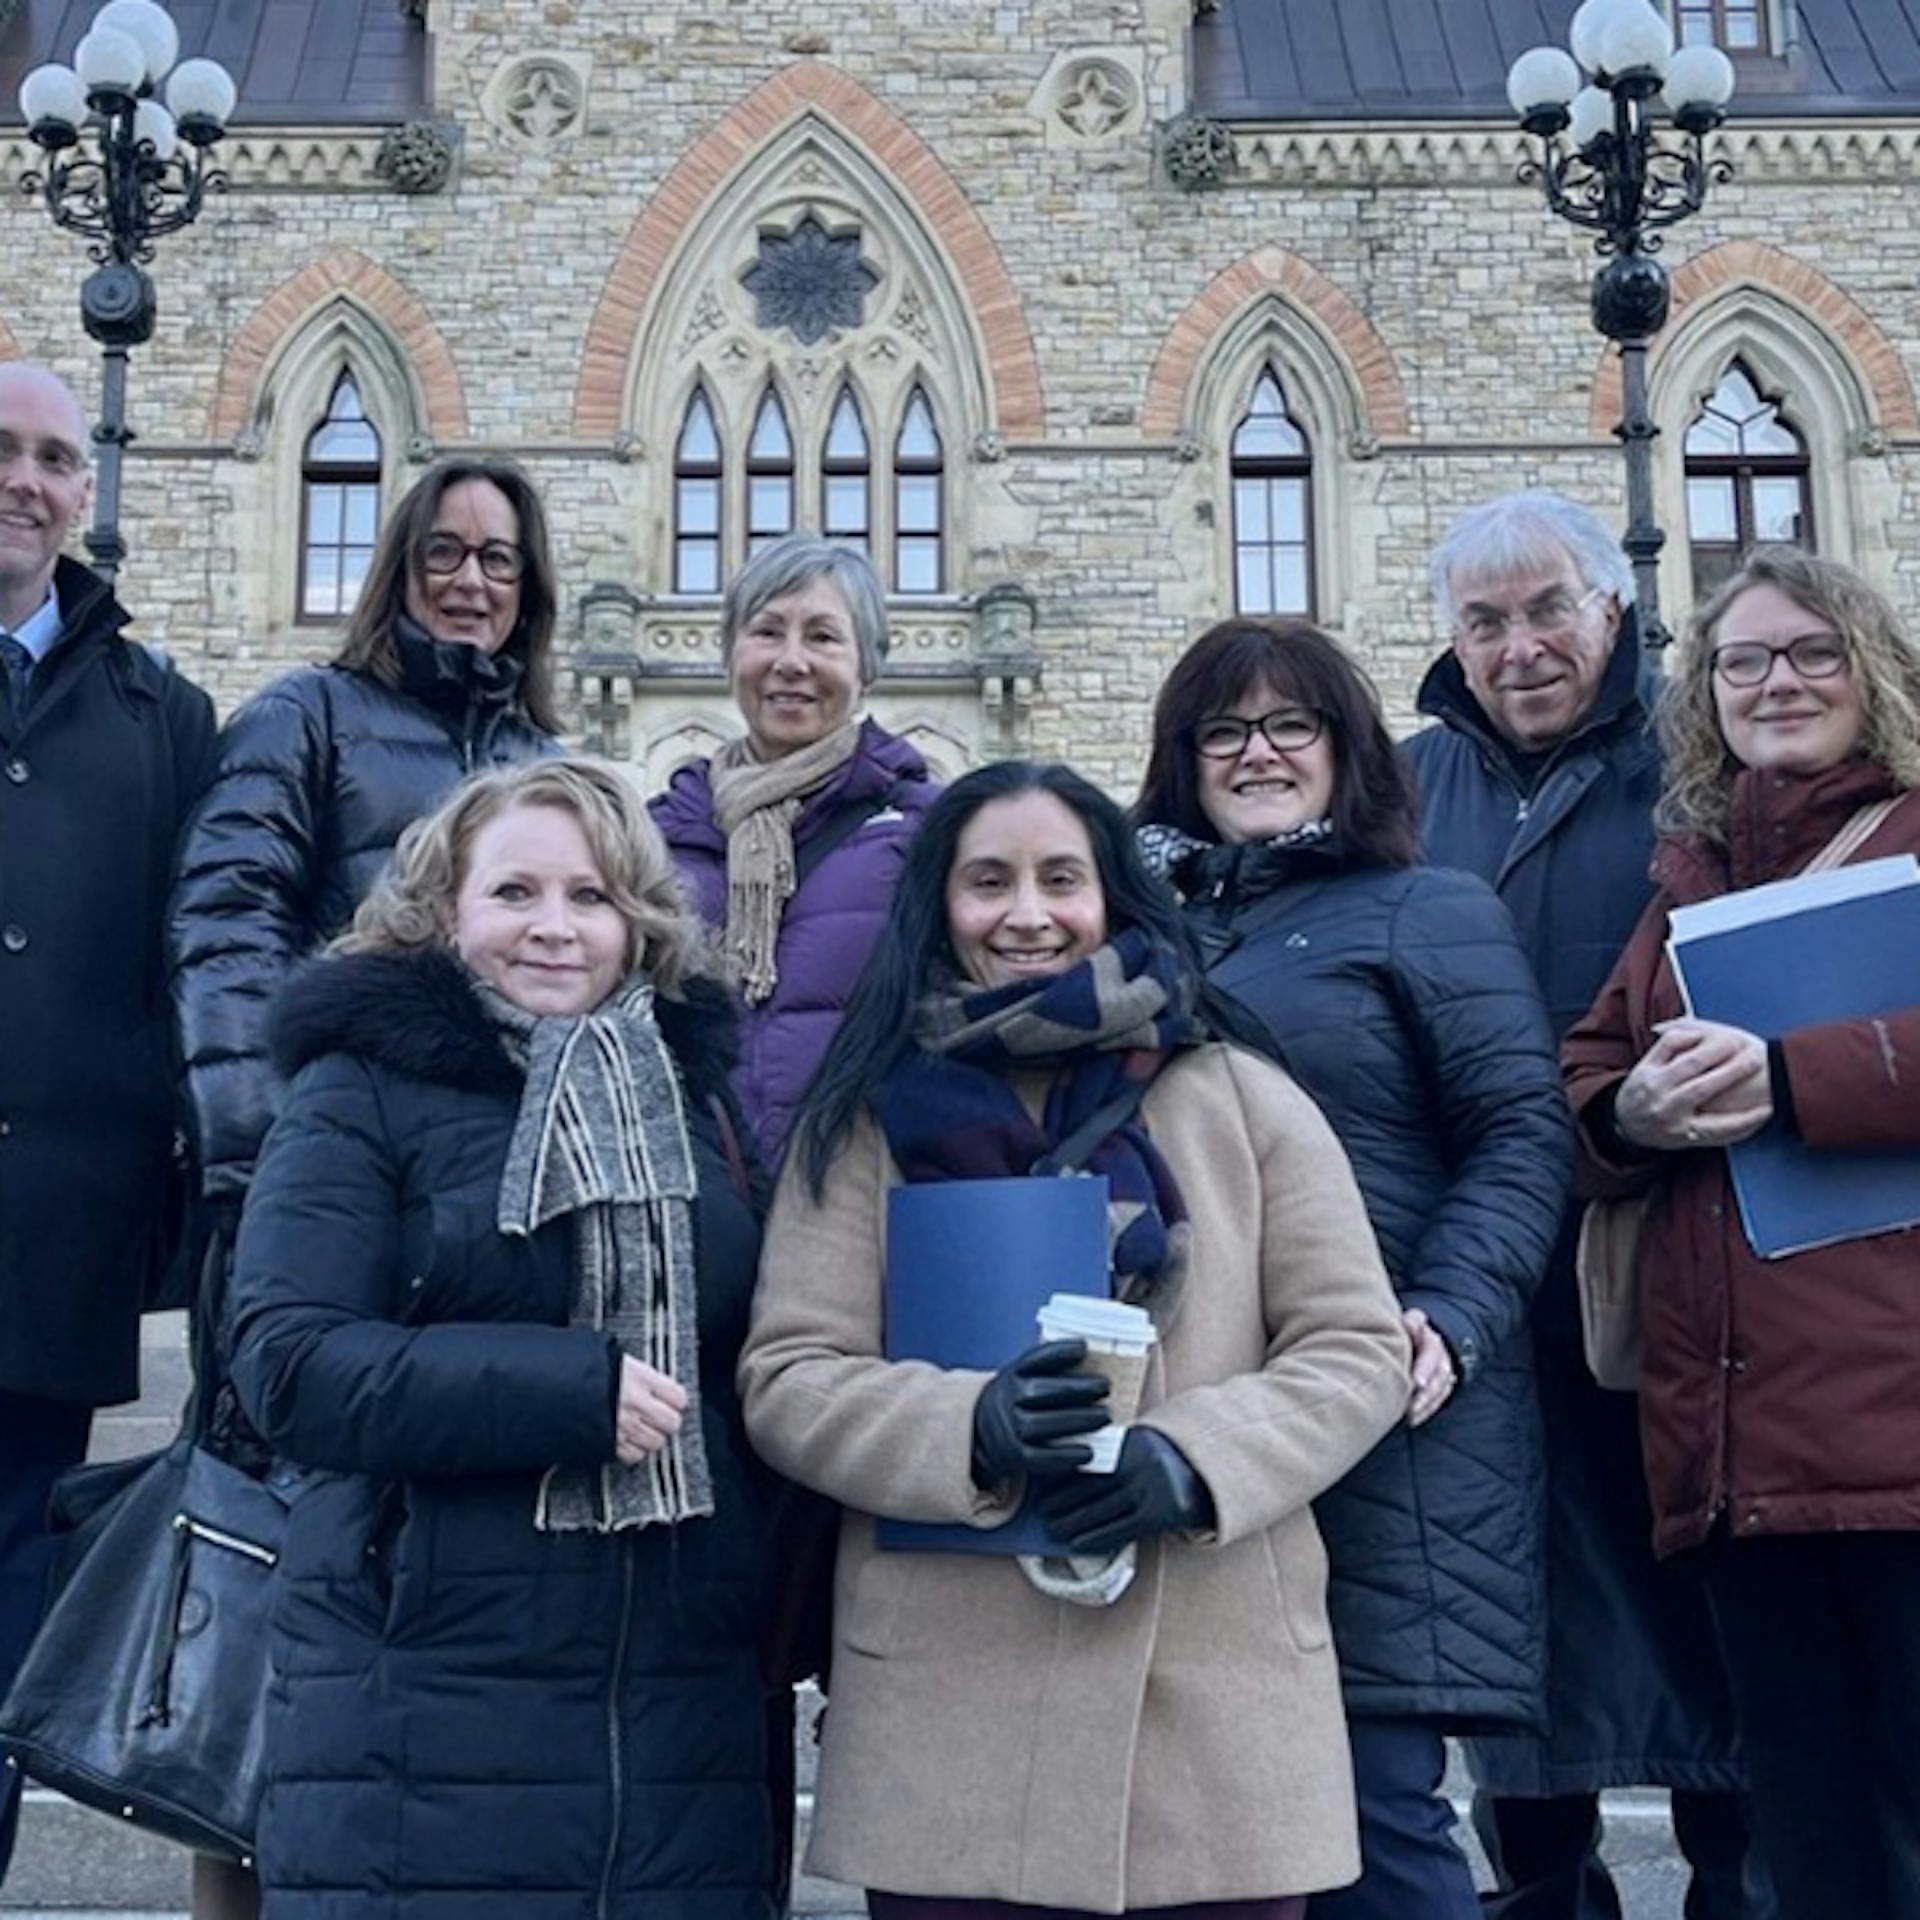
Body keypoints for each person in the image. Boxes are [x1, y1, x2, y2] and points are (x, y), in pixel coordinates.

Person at [739, 759, 1413, 1919]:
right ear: (939, 909)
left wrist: (1196, 1457)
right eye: (987, 882)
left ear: (1112, 896)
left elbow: (1355, 1347)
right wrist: (968, 1427)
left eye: (1063, 878)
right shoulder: (862, 1122)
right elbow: (792, 1378)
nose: (1028, 914)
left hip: (1215, 1716)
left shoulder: (1241, 1095)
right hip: (950, 1733)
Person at [225, 757, 773, 1918]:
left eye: (591, 897)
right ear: (442, 912)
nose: (555, 929)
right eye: (514, 894)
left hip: (676, 1692)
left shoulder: (695, 1099)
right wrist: (568, 1391)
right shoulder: (359, 1089)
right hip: (422, 1683)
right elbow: (288, 1359)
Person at [167, 455, 560, 1919]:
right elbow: (223, 921)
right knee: (273, 1591)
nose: (472, 579)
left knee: (420, 1592)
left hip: (466, 1234)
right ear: (397, 566)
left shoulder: (535, 756)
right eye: (446, 552)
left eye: (500, 561)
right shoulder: (305, 716)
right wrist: (261, 1159)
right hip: (309, 1213)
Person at [1134, 618, 1571, 1919]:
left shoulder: (1431, 908)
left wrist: (1453, 1309)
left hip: (1389, 1408)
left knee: (1376, 1810)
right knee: (1214, 1814)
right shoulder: (1140, 935)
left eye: (1290, 725)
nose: (1257, 753)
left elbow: (1518, 1129)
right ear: (1183, 759)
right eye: (1224, 728)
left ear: (1346, 749)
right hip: (1200, 1403)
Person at [1406, 490, 1764, 1920]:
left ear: (1611, 611)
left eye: (1549, 609)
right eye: (1486, 622)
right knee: (1515, 1600)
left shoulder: (1698, 754)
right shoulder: (1407, 782)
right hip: (1484, 1266)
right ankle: (1545, 1890)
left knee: (1698, 1588)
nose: (1521, 647)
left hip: (1674, 1246)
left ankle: (1738, 1886)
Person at [1562, 549, 1920, 1920]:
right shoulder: (1682, 887)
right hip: (1733, 1462)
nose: (1777, 683)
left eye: (1811, 652)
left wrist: (1795, 1081)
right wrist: (1636, 1113)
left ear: (1870, 669)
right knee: (1815, 1853)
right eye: (1742, 661)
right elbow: (1581, 1080)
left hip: (1897, 1453)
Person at [0, 361, 217, 1886]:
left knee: (5, 1643)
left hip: (47, 1267)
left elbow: (190, 970)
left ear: (88, 492)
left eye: (55, 457)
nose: (28, 479)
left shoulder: (165, 715)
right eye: (3, 448)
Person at [650, 531, 936, 1165]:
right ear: (730, 655)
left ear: (867, 667)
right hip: (699, 1194)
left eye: (824, 637)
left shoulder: (927, 830)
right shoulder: (657, 837)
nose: (792, 660)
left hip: (852, 1192)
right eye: (767, 631)